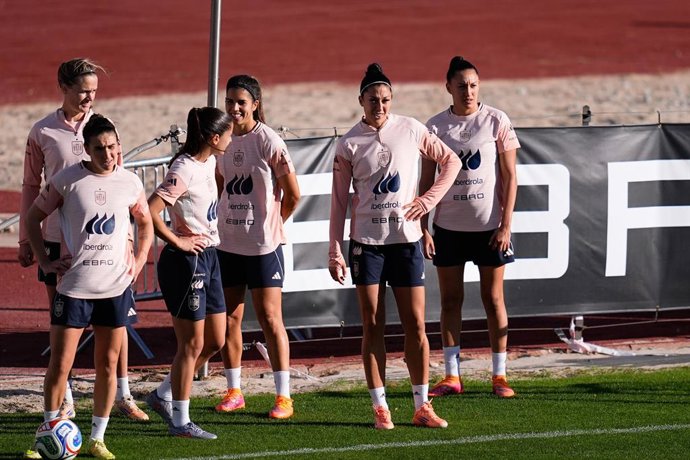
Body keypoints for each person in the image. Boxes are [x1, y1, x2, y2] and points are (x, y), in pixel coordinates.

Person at [18, 58, 148, 460]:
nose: (89, 95)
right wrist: (31, 242)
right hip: (63, 249)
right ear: (64, 86)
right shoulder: (43, 131)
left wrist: (135, 252)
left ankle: (114, 408)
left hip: (111, 261)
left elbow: (130, 202)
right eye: (82, 89)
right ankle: (56, 420)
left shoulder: (105, 132)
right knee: (63, 354)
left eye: (94, 89)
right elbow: (31, 189)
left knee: (111, 351)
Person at [329, 63, 461, 430]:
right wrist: (334, 248)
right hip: (366, 246)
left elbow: (450, 161)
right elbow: (339, 201)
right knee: (372, 325)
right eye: (374, 99)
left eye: (386, 99)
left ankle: (422, 406)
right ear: (361, 100)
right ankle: (380, 407)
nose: (380, 106)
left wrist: (428, 200)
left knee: (415, 325)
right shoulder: (349, 143)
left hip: (406, 243)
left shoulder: (412, 128)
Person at [421, 56, 520, 399]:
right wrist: (424, 227)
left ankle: (499, 376)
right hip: (447, 227)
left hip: (490, 228)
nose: (468, 91)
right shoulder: (434, 127)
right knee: (450, 301)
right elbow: (425, 181)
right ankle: (452, 375)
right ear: (448, 87)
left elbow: (510, 177)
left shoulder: (496, 121)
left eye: (473, 85)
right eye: (461, 85)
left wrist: (506, 225)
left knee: (493, 299)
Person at [209, 74, 301, 419]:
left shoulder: (269, 142)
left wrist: (272, 224)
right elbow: (221, 185)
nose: (234, 108)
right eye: (229, 101)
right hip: (228, 244)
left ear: (255, 105)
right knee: (231, 319)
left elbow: (293, 195)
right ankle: (234, 391)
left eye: (241, 102)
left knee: (270, 319)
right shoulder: (222, 141)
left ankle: (283, 397)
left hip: (264, 247)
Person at [145, 107, 232, 439]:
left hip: (209, 256)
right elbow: (151, 210)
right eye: (227, 133)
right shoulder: (183, 168)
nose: (231, 137)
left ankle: (163, 394)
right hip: (187, 262)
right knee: (191, 344)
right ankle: (180, 422)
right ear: (213, 138)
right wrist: (178, 241)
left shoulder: (210, 161)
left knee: (215, 340)